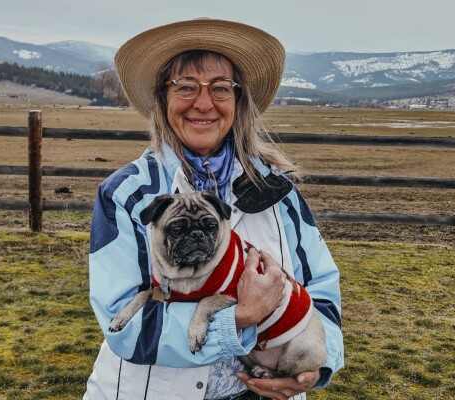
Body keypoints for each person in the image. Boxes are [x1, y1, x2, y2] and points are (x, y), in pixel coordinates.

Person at [84, 18, 343, 400]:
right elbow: (122, 323)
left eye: (220, 88)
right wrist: (239, 319)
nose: (202, 103)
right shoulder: (128, 194)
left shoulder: (277, 190)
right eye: (185, 86)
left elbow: (322, 292)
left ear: (238, 101)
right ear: (162, 98)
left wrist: (316, 366)